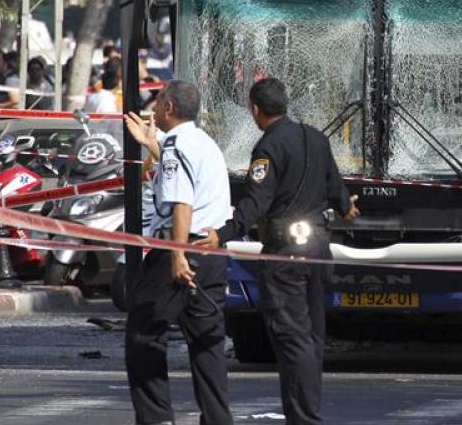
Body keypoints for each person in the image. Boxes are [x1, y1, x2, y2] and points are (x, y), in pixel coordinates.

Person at [204, 78, 360, 425]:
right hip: (319, 247)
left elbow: (256, 203)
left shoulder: (268, 148)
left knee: (292, 339)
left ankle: (304, 418)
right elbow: (337, 186)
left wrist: (225, 234)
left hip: (285, 253)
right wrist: (347, 206)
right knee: (312, 338)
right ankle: (309, 412)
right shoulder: (316, 137)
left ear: (255, 110)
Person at [123, 80, 234, 425]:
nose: (153, 110)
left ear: (169, 108)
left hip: (180, 251)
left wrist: (176, 255)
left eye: (157, 103)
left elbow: (182, 203)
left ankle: (156, 417)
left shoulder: (176, 146)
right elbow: (186, 182)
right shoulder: (203, 142)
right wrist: (151, 145)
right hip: (211, 255)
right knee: (207, 344)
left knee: (143, 334)